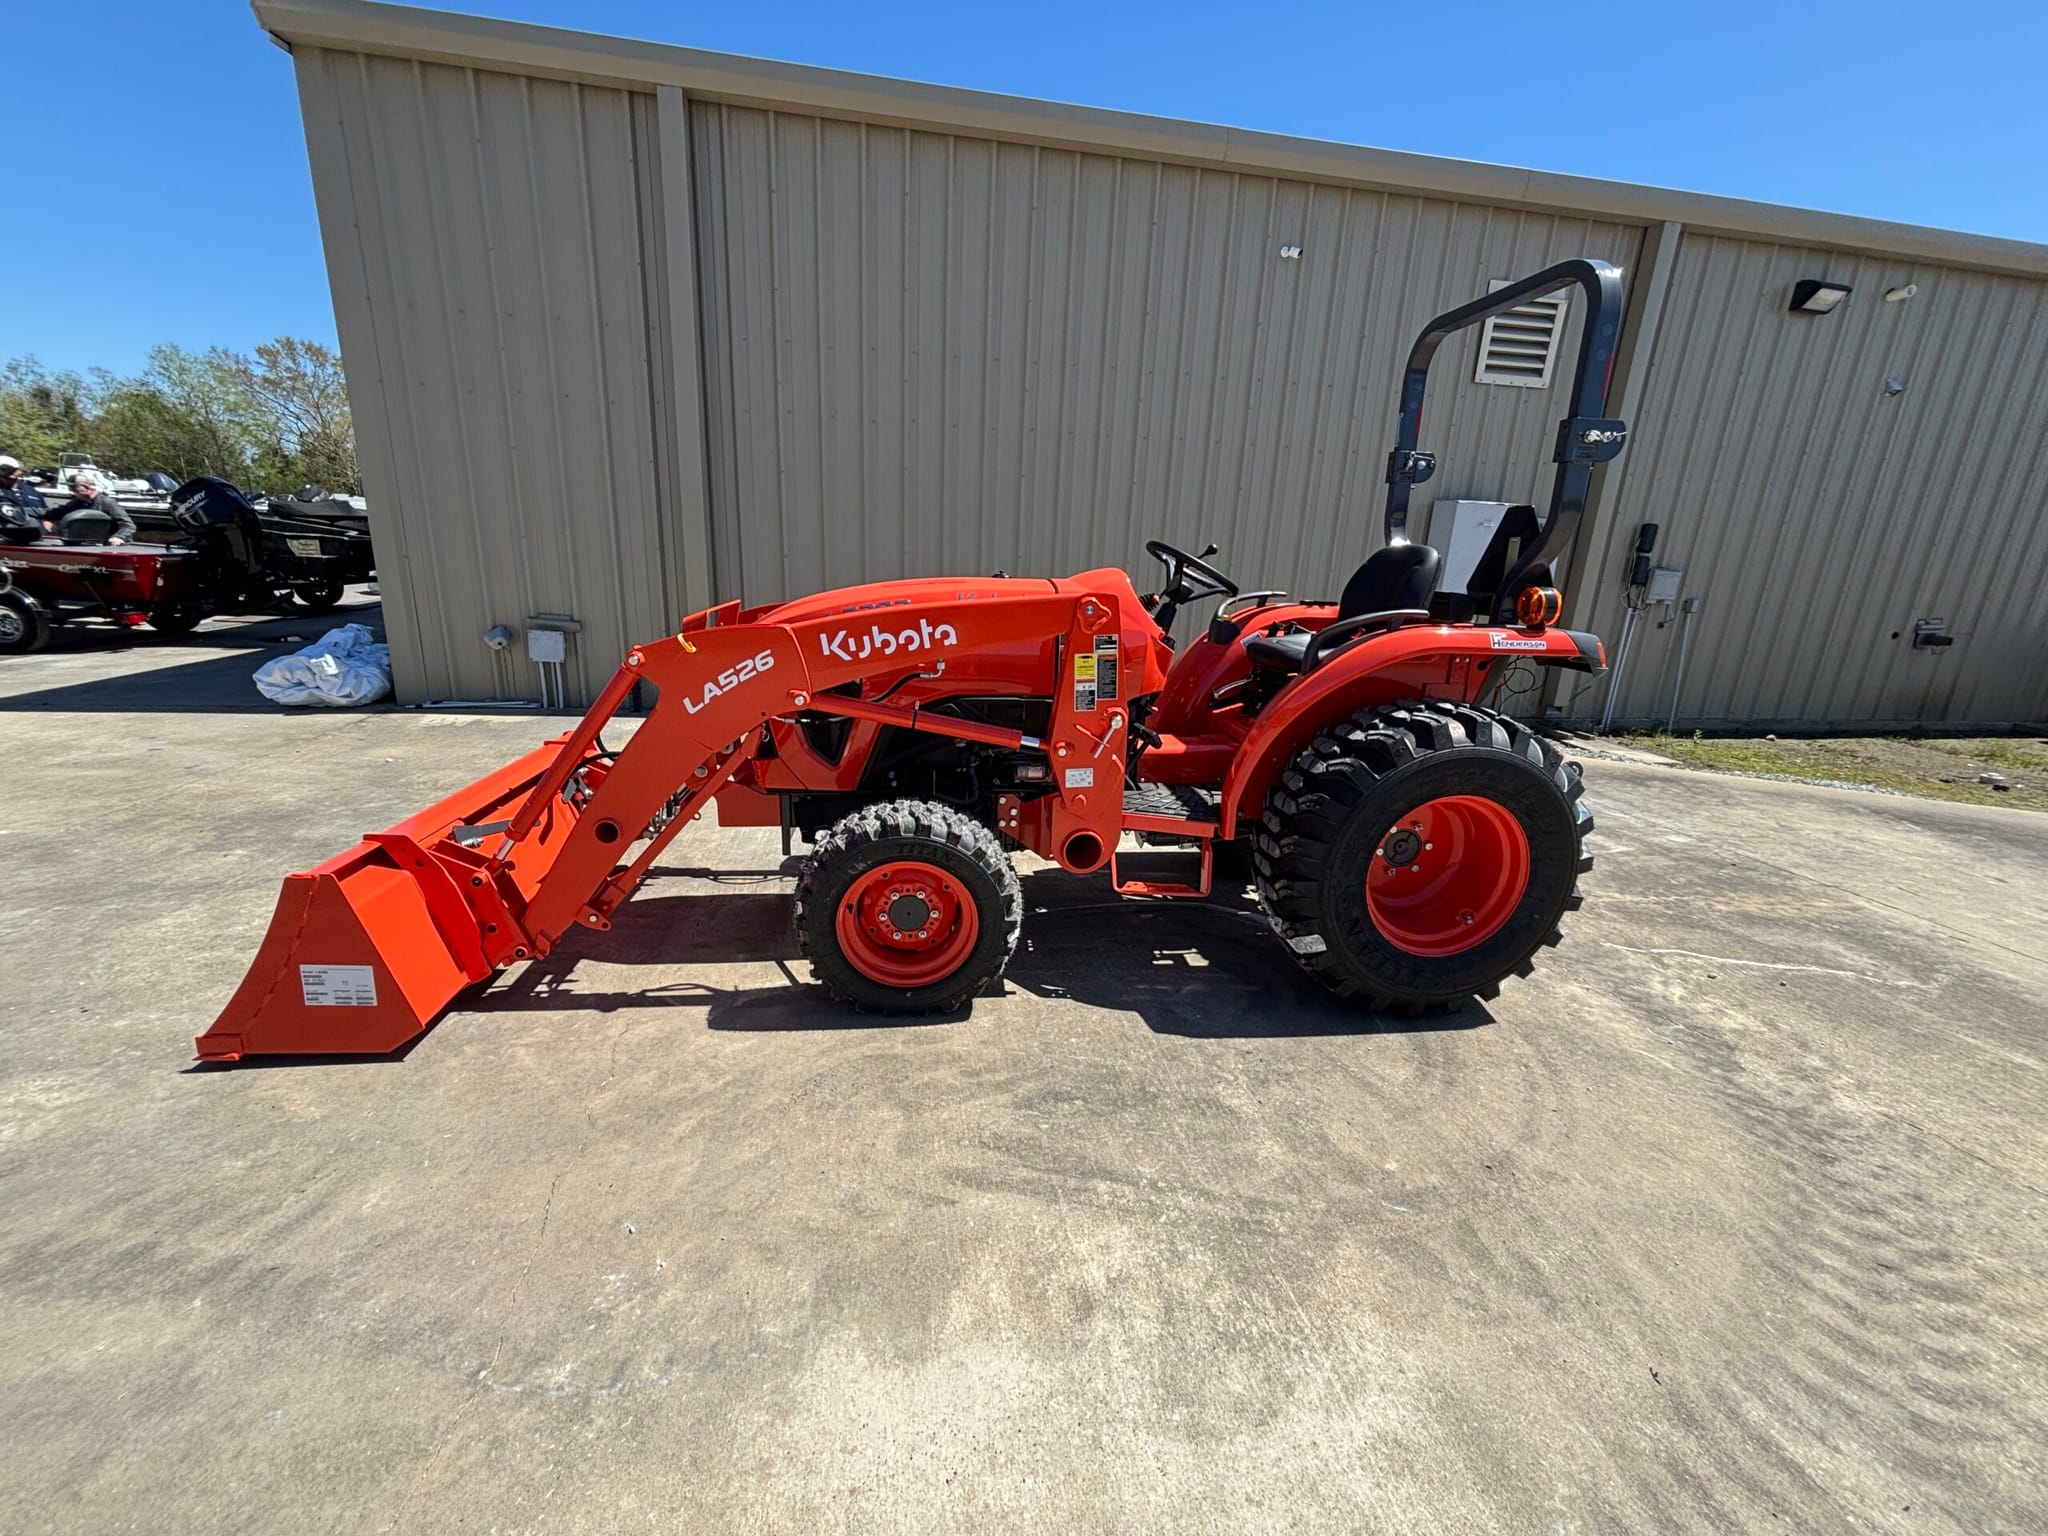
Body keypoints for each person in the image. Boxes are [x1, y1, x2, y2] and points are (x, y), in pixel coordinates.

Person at [49, 468, 136, 545]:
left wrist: (118, 537)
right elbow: (57, 513)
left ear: (85, 486)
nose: (72, 490)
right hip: (87, 544)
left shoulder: (107, 502)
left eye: (73, 487)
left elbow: (129, 525)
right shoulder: (77, 503)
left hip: (111, 546)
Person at [0, 455, 48, 543]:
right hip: (5, 541)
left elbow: (47, 516)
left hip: (37, 541)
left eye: (14, 469)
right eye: (5, 469)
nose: (12, 472)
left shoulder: (32, 491)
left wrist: (45, 531)